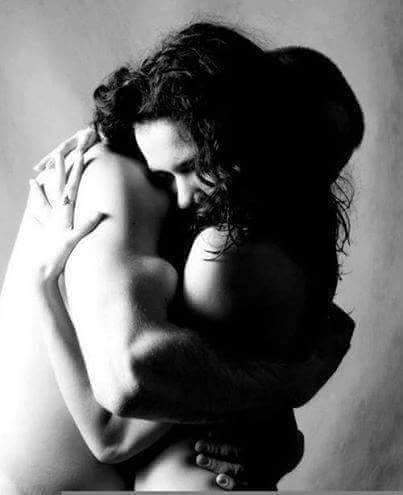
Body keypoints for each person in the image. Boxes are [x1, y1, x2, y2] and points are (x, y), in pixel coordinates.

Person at [1, 23, 362, 493]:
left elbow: (168, 404)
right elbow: (122, 401)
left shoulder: (238, 241)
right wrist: (291, 381)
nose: (185, 195)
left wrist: (278, 432)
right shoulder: (118, 178)